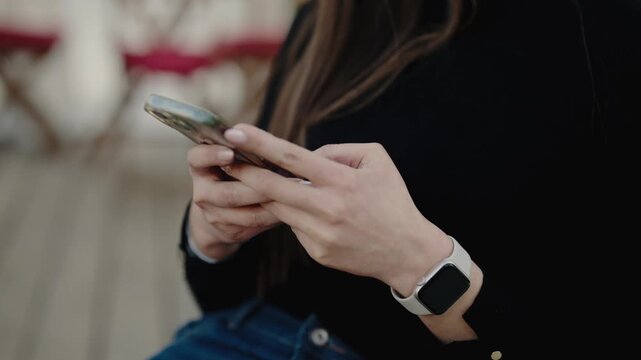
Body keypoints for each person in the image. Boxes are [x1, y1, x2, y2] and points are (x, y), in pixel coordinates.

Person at [152, 0, 639, 358]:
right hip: (247, 339)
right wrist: (213, 237)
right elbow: (230, 297)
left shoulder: (607, 34)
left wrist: (423, 267)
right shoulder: (333, 18)